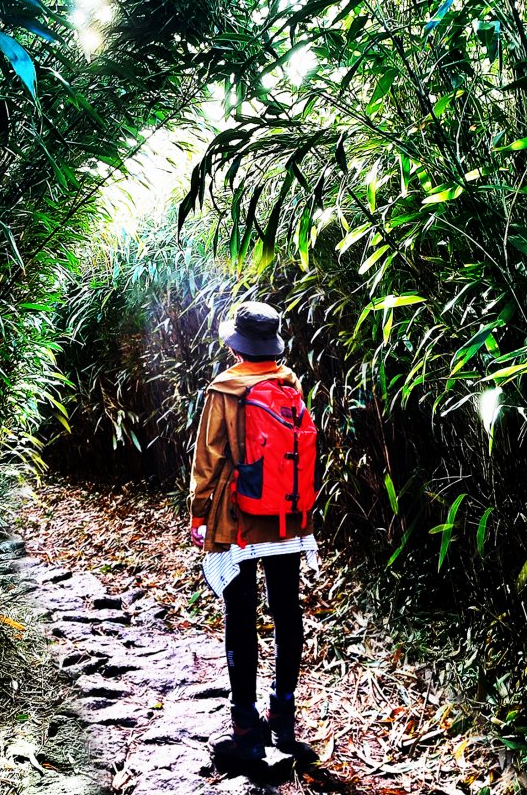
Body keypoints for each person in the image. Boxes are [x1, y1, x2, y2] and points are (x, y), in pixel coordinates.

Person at [189, 300, 319, 767]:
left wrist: (198, 512)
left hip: (238, 520)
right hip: (286, 519)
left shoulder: (225, 389)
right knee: (287, 612)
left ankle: (246, 731)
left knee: (240, 617)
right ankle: (283, 721)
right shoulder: (291, 384)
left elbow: (208, 458)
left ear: (237, 345)